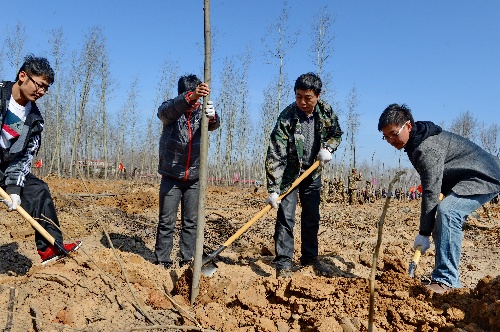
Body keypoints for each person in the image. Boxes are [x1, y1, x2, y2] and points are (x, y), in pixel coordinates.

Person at [378, 103, 500, 293]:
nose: (391, 140)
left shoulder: (426, 147)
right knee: (441, 217)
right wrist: (428, 228)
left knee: (449, 211)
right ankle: (441, 277)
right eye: (386, 137)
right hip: (467, 178)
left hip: (484, 176)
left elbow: (430, 190)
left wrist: (424, 232)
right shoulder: (415, 142)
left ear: (408, 126)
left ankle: (447, 280)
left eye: (394, 134)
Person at [0, 55, 81, 264]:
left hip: (5, 166)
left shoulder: (34, 119)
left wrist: (14, 189)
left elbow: (22, 157)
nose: (42, 92)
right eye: (40, 85)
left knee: (39, 190)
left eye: (46, 88)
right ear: (22, 76)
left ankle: (51, 249)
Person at [265, 72, 343, 278]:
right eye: (298, 96)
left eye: (307, 98)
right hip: (290, 175)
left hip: (313, 173)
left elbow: (337, 133)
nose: (302, 102)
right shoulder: (287, 117)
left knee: (311, 218)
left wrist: (329, 148)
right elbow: (275, 153)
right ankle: (283, 261)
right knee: (285, 217)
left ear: (318, 95)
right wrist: (273, 189)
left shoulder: (326, 112)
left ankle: (309, 258)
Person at [154, 74, 220, 269]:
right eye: (189, 97)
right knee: (166, 221)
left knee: (191, 222)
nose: (193, 102)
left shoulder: (202, 111)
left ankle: (188, 258)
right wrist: (188, 99)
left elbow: (214, 125)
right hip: (171, 176)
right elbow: (164, 113)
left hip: (194, 178)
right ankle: (162, 259)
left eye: (196, 98)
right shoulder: (172, 109)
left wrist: (213, 116)